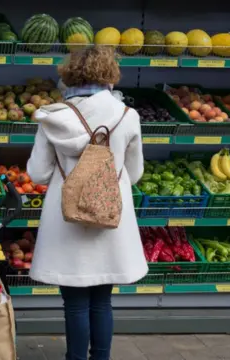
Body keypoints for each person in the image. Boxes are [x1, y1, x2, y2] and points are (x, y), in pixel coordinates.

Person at [26, 46, 147, 360]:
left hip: (65, 219)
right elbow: (134, 175)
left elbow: (37, 173)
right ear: (109, 75)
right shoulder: (127, 116)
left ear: (69, 75)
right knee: (102, 302)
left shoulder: (54, 117)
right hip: (109, 218)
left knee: (76, 304)